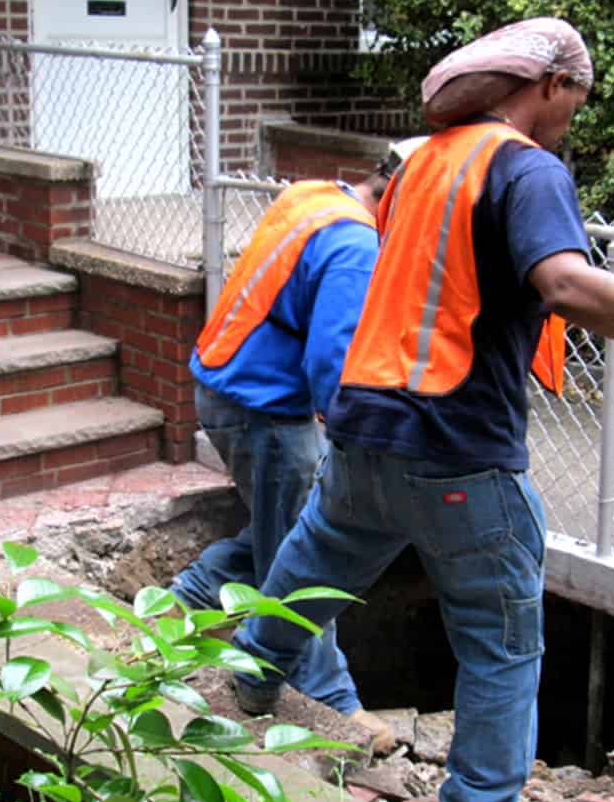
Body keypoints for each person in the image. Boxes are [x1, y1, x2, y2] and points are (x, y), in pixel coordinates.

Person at [229, 18, 614, 802]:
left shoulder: (425, 163)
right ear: (551, 84)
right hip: (460, 443)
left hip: (365, 422)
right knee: (501, 637)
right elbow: (565, 284)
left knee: (317, 561)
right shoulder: (525, 167)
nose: (577, 113)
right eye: (578, 96)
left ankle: (249, 677)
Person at [172, 139, 428, 755]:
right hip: (265, 410)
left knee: (280, 528)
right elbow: (334, 363)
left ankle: (195, 592)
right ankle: (329, 698)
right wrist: (357, 441)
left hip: (227, 383)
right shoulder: (356, 247)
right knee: (309, 554)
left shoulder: (315, 197)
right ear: (400, 195)